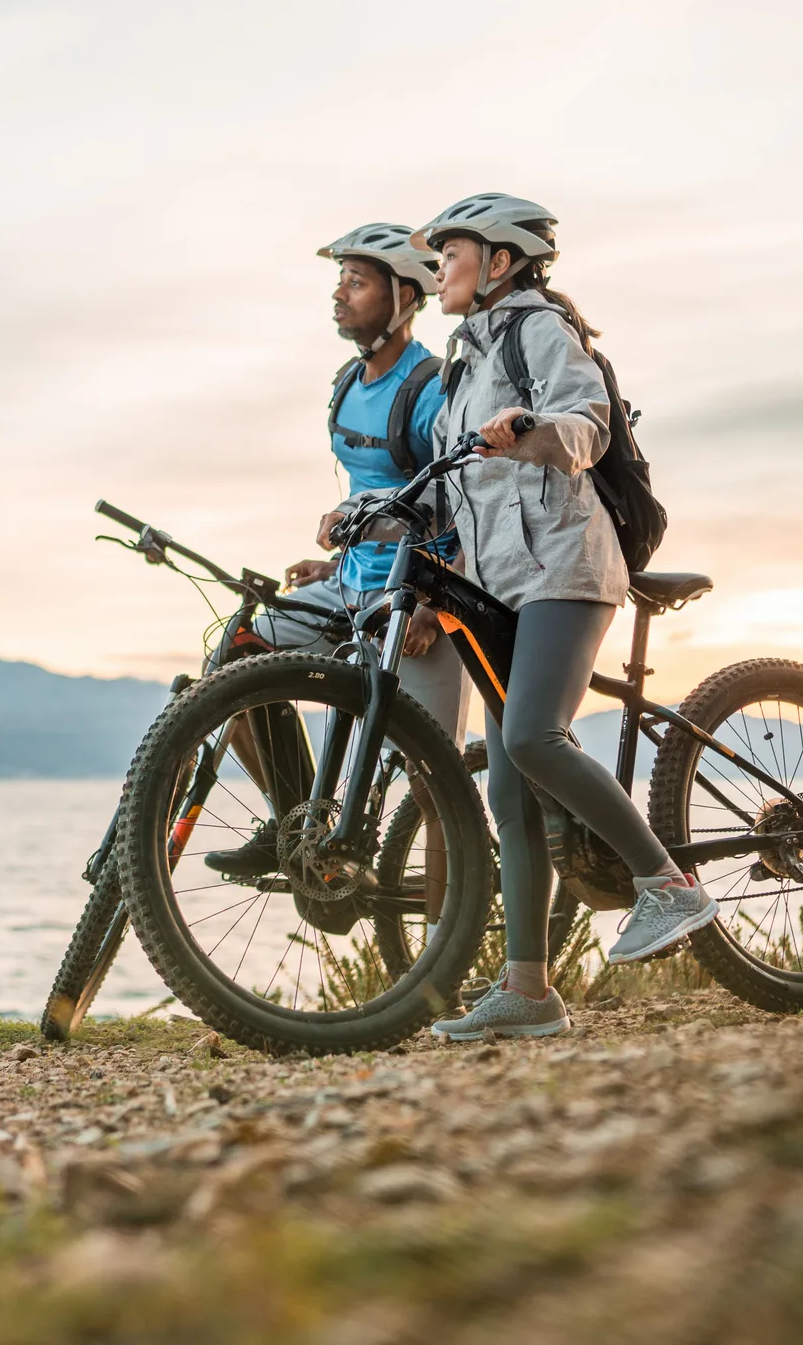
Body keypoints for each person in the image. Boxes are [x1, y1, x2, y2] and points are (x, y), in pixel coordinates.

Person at [416, 193, 718, 1041]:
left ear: (500, 262)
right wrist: (376, 508)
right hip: (502, 579)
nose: (438, 263)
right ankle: (529, 990)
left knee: (531, 737)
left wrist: (531, 429)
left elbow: (585, 422)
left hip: (565, 562)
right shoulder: (461, 361)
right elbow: (448, 480)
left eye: (453, 250)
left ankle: (668, 888)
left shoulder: (537, 326)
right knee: (511, 794)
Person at [203, 223, 466, 882]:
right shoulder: (348, 382)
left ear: (404, 295)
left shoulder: (432, 388)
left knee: (437, 788)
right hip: (350, 584)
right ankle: (302, 833)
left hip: (422, 593)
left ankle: (446, 968)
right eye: (338, 280)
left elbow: (469, 504)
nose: (339, 294)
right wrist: (334, 563)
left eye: (356, 281)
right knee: (232, 671)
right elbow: (369, 492)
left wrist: (440, 602)